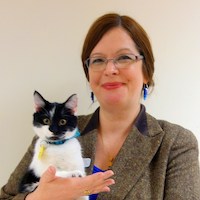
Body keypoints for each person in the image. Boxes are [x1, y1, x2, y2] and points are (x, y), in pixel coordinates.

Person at [1, 13, 200, 200]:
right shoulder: (53, 135)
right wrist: (37, 197)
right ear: (89, 75)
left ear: (146, 72)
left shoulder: (175, 143)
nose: (110, 69)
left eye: (124, 57)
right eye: (97, 60)